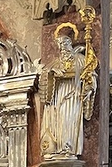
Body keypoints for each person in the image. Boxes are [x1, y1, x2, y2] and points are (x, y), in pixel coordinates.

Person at [40, 26, 97, 160]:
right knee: (56, 120)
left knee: (68, 120)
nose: (62, 48)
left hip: (73, 95)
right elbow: (44, 78)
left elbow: (91, 76)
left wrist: (88, 86)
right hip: (57, 96)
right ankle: (55, 149)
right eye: (60, 45)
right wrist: (51, 73)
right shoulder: (55, 62)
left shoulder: (80, 59)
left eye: (65, 44)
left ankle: (68, 148)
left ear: (70, 44)